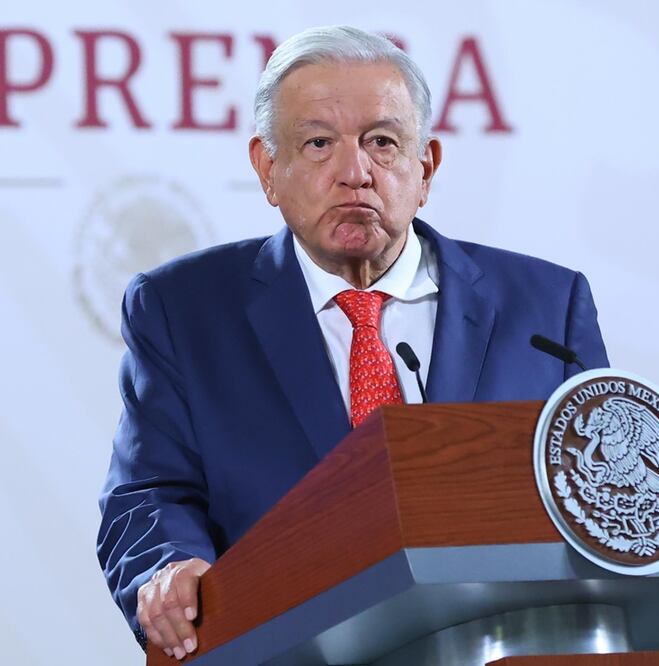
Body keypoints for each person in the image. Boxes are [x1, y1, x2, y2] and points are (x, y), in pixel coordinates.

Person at [97, 25, 608, 660]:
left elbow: (601, 492)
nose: (355, 172)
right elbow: (147, 494)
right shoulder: (184, 311)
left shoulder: (544, 309)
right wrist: (169, 570)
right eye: (317, 143)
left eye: (383, 142)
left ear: (425, 167)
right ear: (268, 170)